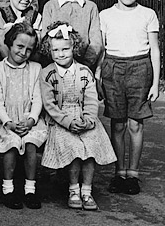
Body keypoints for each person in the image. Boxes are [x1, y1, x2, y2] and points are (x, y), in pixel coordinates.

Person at [98, 0, 160, 195]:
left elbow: (154, 49)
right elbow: (102, 50)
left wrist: (154, 82)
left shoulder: (148, 14)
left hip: (139, 69)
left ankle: (132, 174)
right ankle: (119, 172)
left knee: (135, 123)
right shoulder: (105, 15)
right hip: (113, 70)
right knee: (118, 123)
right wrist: (99, 78)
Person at [39, 22, 116, 211]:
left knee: (89, 148)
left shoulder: (84, 72)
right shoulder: (47, 74)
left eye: (65, 49)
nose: (61, 54)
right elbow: (50, 105)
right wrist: (68, 122)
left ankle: (86, 191)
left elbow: (91, 98)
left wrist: (89, 119)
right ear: (50, 50)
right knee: (73, 149)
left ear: (74, 47)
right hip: (61, 121)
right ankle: (73, 189)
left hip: (84, 118)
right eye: (56, 50)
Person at [0, 22, 47, 210]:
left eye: (29, 49)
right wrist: (8, 122)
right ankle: (8, 189)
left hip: (28, 119)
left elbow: (37, 98)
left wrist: (31, 119)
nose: (23, 52)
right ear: (9, 43)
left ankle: (29, 189)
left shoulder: (36, 68)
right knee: (11, 144)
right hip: (6, 120)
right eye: (20, 46)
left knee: (30, 143)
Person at [41, 0, 103, 69]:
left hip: (84, 68)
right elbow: (45, 40)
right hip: (55, 68)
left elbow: (96, 42)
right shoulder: (50, 7)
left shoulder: (90, 7)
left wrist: (84, 66)